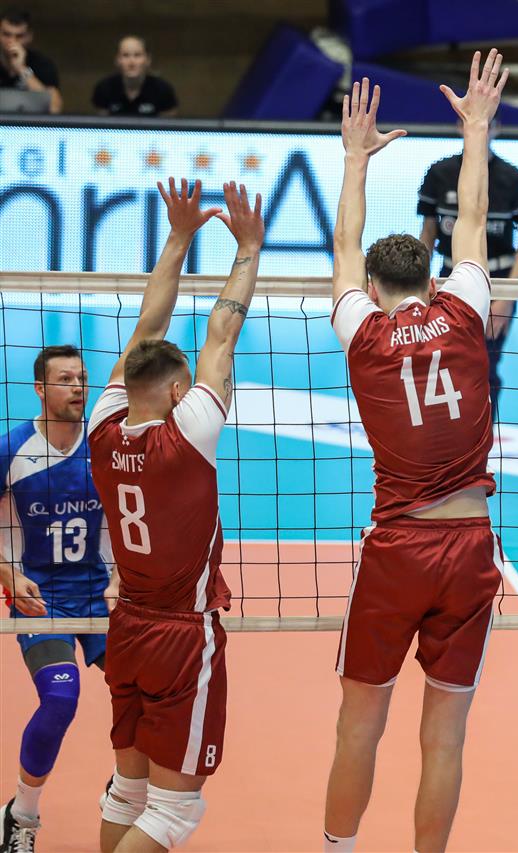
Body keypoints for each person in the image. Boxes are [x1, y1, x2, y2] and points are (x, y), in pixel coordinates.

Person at [321, 57, 506, 853]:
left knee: (359, 724)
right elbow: (473, 217)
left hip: (398, 546)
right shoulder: (464, 311)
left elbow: (343, 242)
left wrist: (355, 158)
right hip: (469, 547)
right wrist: (476, 129)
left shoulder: (361, 332)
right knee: (445, 736)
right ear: (432, 282)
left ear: (372, 287)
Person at [88, 176, 263, 852]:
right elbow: (223, 332)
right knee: (173, 812)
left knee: (127, 791)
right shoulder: (188, 433)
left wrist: (179, 236)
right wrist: (248, 247)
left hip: (127, 624)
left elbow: (147, 329)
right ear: (176, 391)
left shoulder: (103, 426)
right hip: (182, 636)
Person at [0, 345, 117, 853]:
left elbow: (130, 513)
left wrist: (120, 578)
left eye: (82, 378)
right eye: (65, 379)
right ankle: (21, 815)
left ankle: (124, 789)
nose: (77, 387)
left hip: (100, 594)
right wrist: (8, 574)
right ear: (40, 389)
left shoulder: (106, 444)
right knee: (60, 698)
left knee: (149, 692)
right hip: (40, 598)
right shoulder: (12, 450)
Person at [417, 116, 518, 417]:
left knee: (486, 364)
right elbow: (428, 233)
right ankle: (448, 430)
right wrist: (417, 283)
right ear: (459, 126)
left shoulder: (512, 178)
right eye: (472, 123)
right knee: (441, 361)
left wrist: (506, 297)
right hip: (449, 279)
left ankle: (483, 435)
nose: (481, 130)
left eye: (488, 124)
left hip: (497, 282)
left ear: (497, 129)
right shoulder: (439, 173)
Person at [92, 35, 178, 117]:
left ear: (148, 60)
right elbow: (102, 124)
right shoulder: (104, 88)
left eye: (137, 55)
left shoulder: (163, 90)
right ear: (118, 60)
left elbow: (168, 125)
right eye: (125, 55)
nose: (131, 62)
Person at [0, 8, 60, 113]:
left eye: (19, 36)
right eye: (6, 34)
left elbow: (54, 108)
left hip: (31, 123)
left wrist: (22, 69)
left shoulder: (42, 64)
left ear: (29, 36)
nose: (12, 41)